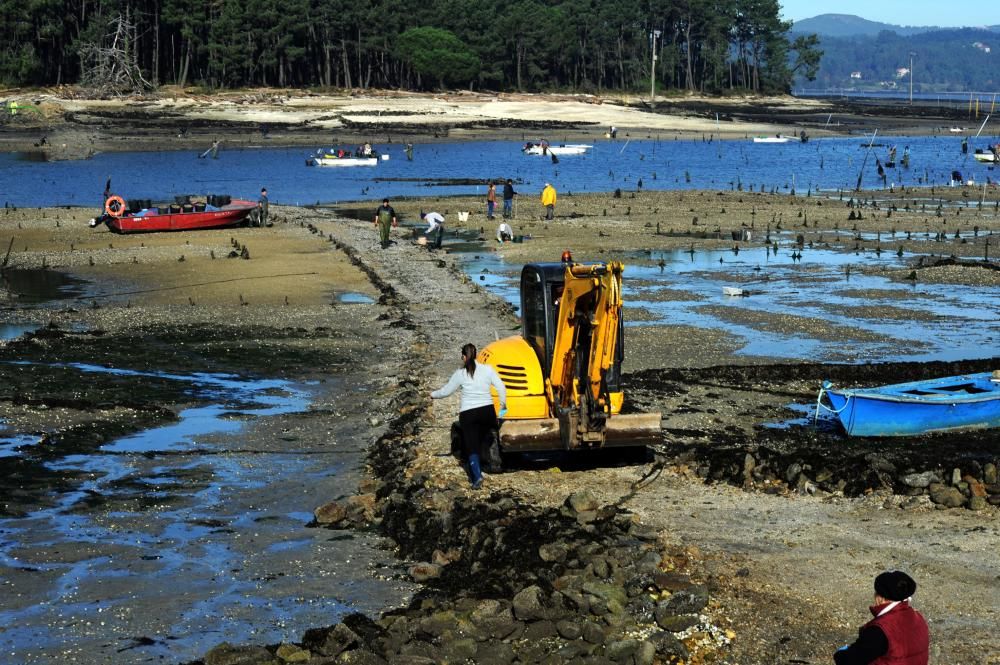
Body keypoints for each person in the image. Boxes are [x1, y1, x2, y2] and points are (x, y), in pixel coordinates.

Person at [430, 343, 507, 489]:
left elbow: (446, 391)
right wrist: (502, 407)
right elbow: (501, 387)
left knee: (471, 446)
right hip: (487, 412)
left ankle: (477, 478)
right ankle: (490, 460)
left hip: (469, 413)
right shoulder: (488, 369)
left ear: (463, 357)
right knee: (486, 435)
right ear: (477, 355)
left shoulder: (460, 374)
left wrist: (432, 395)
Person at [834, 570, 929, 665]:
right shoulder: (918, 618)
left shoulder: (880, 630)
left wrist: (840, 654)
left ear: (880, 598)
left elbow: (850, 660)